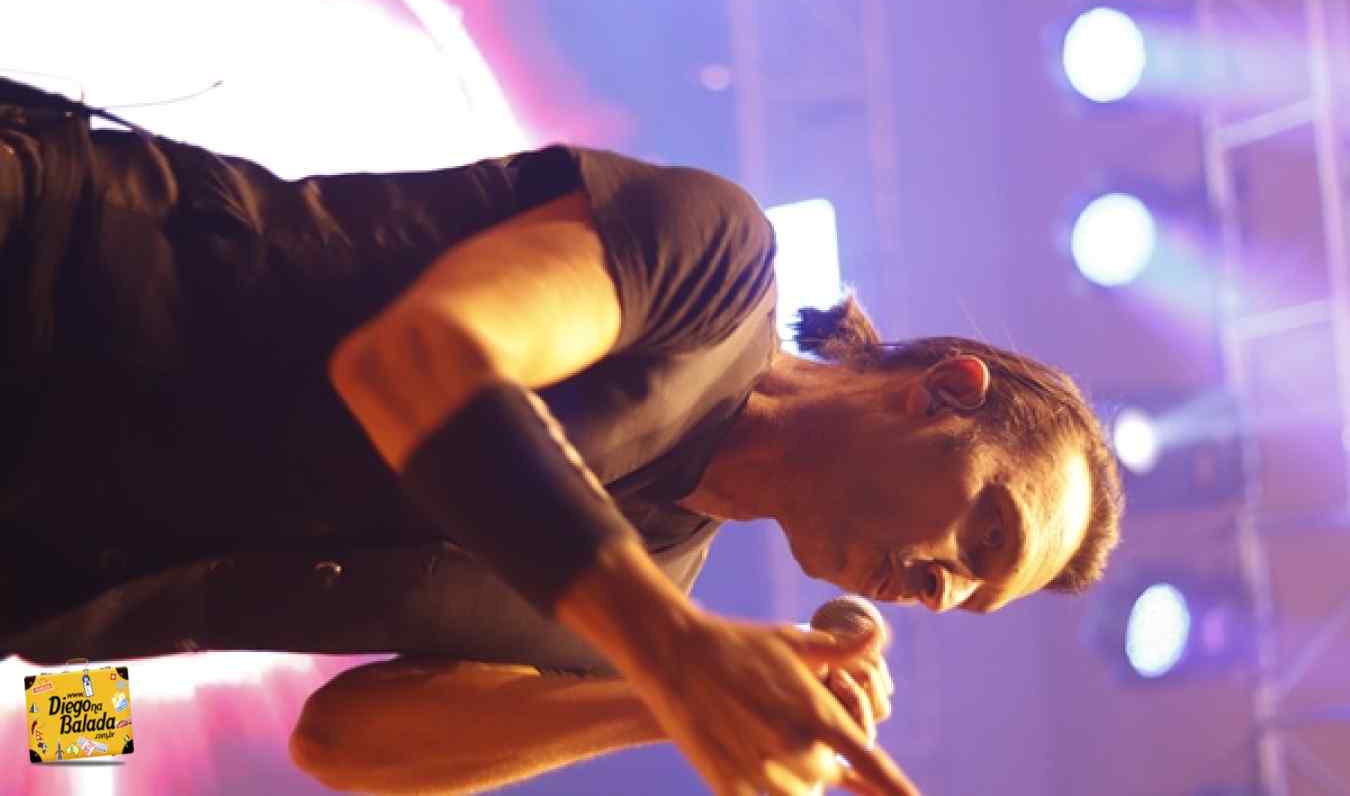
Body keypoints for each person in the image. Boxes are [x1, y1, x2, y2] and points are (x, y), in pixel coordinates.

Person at [0, 77, 1124, 795]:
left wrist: (666, 697)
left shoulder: (636, 611)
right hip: (45, 283)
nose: (937, 590)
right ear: (945, 389)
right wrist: (675, 654)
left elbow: (340, 741)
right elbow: (412, 362)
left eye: (964, 600)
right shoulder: (716, 266)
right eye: (985, 536)